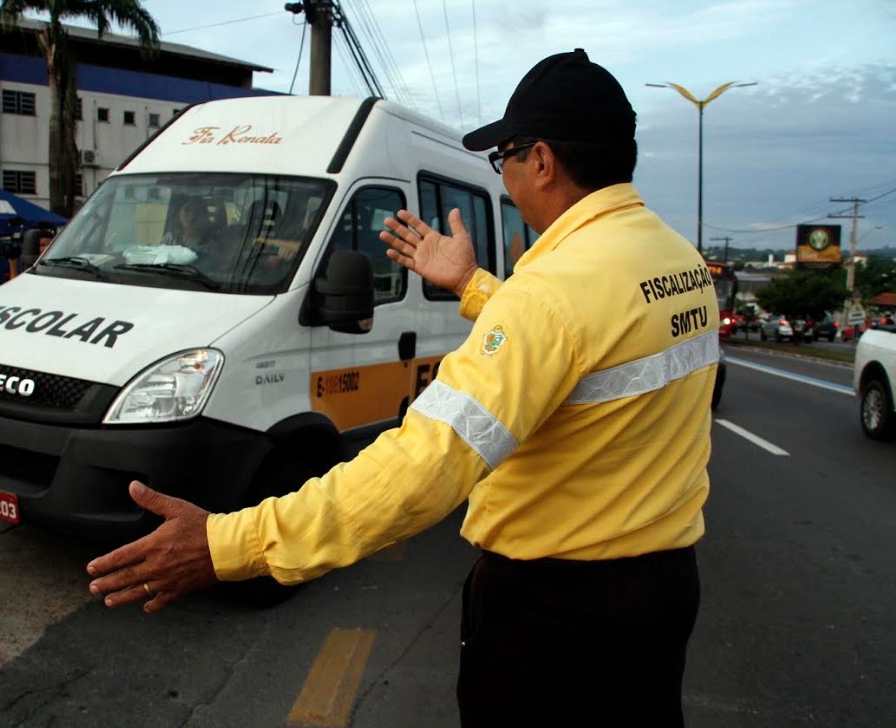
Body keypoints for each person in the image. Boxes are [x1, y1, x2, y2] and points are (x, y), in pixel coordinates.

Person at [87, 48, 718, 727]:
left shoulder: (550, 292)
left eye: (502, 155)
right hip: (660, 591)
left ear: (540, 160)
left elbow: (422, 468)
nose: (502, 175)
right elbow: (587, 346)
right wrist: (475, 289)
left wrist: (230, 544)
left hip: (556, 611)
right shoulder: (674, 258)